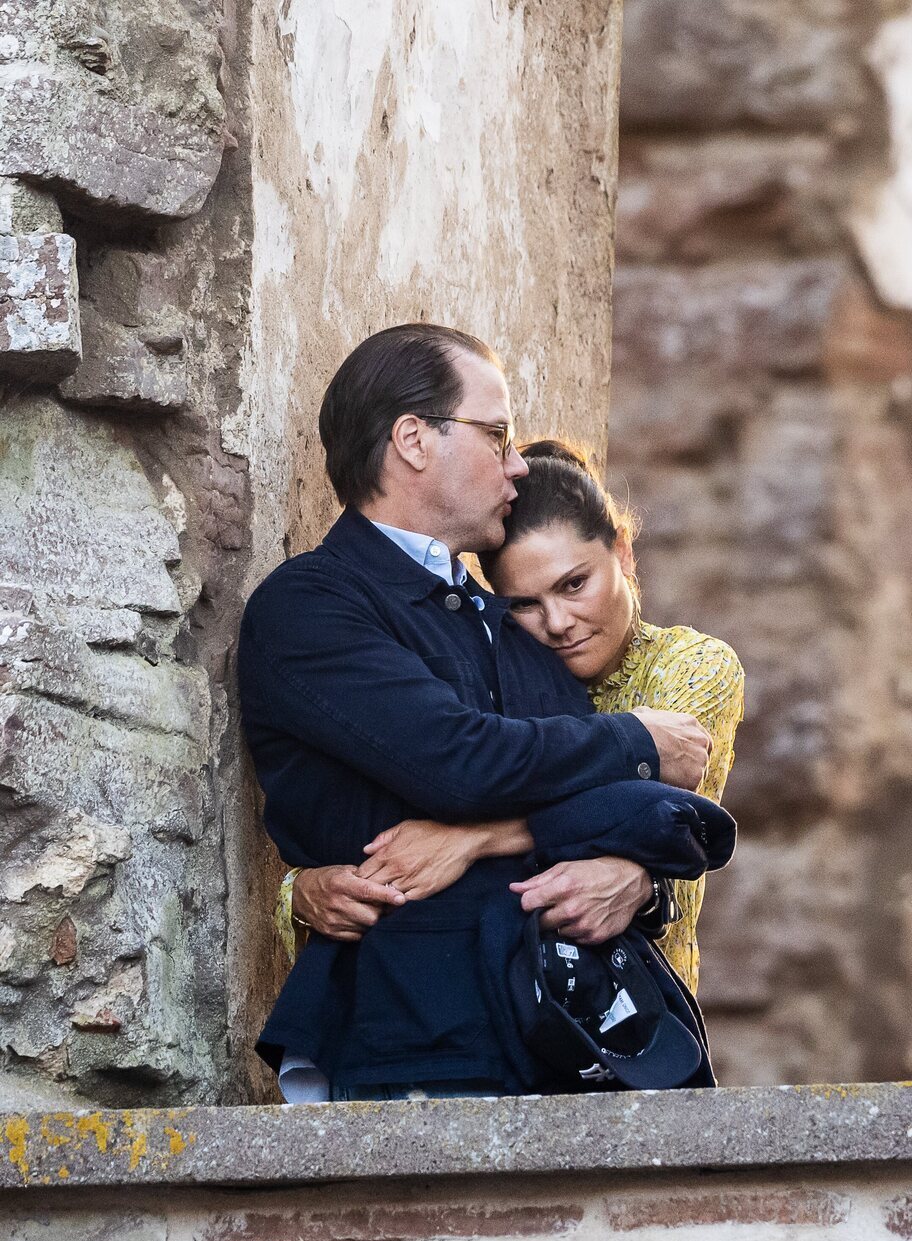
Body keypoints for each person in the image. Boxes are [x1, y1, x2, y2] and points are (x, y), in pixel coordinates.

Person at [237, 323, 713, 1102]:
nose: (519, 466)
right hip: (419, 1046)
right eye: (498, 436)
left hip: (577, 1042)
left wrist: (617, 843)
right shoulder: (311, 605)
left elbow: (634, 811)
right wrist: (637, 740)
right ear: (414, 441)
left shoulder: (503, 623)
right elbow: (460, 762)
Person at [282, 441, 743, 996]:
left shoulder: (694, 666)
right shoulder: (495, 668)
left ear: (623, 552)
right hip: (498, 1001)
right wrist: (298, 890)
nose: (558, 622)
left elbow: (658, 821)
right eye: (523, 603)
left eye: (575, 584)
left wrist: (468, 841)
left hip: (641, 999)